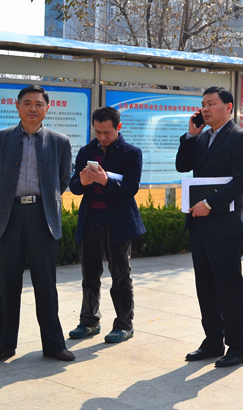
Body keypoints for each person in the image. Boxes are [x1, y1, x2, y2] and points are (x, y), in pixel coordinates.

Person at [0, 85, 74, 363]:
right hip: (8, 216)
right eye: (27, 103)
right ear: (17, 106)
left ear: (47, 108)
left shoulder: (59, 141)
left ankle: (54, 345)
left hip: (42, 216)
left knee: (45, 283)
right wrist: (6, 198)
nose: (33, 108)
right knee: (8, 283)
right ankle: (5, 345)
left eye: (38, 103)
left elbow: (63, 180)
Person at [175, 86, 243, 368]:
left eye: (211, 103)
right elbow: (182, 166)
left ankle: (239, 347)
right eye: (203, 104)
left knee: (229, 288)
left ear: (228, 107)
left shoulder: (240, 137)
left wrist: (209, 203)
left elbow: (241, 181)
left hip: (224, 225)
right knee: (205, 286)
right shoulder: (200, 138)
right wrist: (190, 136)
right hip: (199, 225)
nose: (205, 109)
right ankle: (213, 340)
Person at [68, 106, 146, 344]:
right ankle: (89, 321)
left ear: (118, 127)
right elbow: (74, 186)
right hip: (91, 220)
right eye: (98, 132)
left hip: (118, 223)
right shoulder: (86, 151)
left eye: (107, 132)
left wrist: (105, 181)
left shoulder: (131, 153)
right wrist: (82, 182)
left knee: (120, 275)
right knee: (89, 275)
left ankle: (124, 324)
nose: (102, 137)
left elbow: (131, 188)